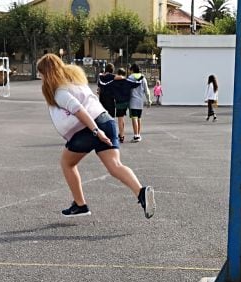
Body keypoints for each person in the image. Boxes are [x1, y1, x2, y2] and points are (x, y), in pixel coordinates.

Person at [35, 53, 154, 220]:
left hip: (89, 128)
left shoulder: (60, 91)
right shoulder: (75, 81)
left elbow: (79, 110)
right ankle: (141, 193)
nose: (40, 77)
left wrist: (96, 131)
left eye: (41, 73)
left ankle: (80, 204)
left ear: (47, 73)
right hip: (106, 120)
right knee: (115, 165)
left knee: (67, 163)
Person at [126, 62, 150, 142]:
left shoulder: (130, 77)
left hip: (133, 101)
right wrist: (148, 100)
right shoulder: (143, 78)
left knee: (134, 118)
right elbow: (147, 90)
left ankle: (136, 135)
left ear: (132, 70)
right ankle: (138, 134)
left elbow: (127, 89)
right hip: (140, 101)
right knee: (139, 118)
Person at [111, 67, 133, 142]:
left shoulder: (114, 82)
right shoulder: (127, 81)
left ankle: (122, 136)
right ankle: (121, 133)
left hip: (119, 102)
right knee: (122, 118)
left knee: (120, 119)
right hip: (126, 102)